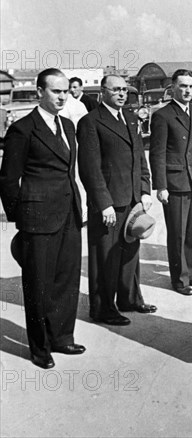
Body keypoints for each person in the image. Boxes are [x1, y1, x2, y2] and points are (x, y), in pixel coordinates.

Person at [0, 68, 85, 370]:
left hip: (69, 214)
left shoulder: (69, 127)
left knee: (66, 278)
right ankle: (40, 347)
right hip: (37, 218)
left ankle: (62, 336)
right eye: (55, 91)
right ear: (39, 92)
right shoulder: (23, 129)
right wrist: (20, 217)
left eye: (65, 91)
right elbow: (8, 180)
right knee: (38, 284)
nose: (62, 96)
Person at [77, 75, 156, 326]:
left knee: (130, 252)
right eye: (116, 90)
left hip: (132, 198)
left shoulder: (131, 119)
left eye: (124, 90)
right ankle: (102, 308)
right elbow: (89, 168)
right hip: (109, 203)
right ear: (103, 92)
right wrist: (103, 203)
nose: (122, 94)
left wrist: (145, 189)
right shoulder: (90, 122)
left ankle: (129, 299)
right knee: (104, 257)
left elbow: (140, 159)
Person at [149, 69, 192, 295]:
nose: (187, 90)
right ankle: (180, 280)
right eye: (183, 86)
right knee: (178, 234)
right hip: (175, 183)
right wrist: (161, 186)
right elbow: (157, 154)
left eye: (191, 86)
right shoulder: (162, 115)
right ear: (173, 88)